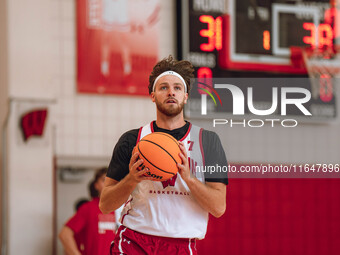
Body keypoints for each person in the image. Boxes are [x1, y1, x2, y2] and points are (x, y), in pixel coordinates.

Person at [100, 55, 228, 255]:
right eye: (163, 87)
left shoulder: (208, 142)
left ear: (185, 96)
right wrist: (131, 179)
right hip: (135, 239)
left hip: (181, 244)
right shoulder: (132, 140)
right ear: (152, 95)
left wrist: (189, 178)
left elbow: (219, 207)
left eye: (178, 88)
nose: (171, 92)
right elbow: (106, 204)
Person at [59, 168, 117, 255]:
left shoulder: (123, 208)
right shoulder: (88, 208)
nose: (108, 183)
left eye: (112, 180)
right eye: (104, 180)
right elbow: (64, 234)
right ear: (96, 185)